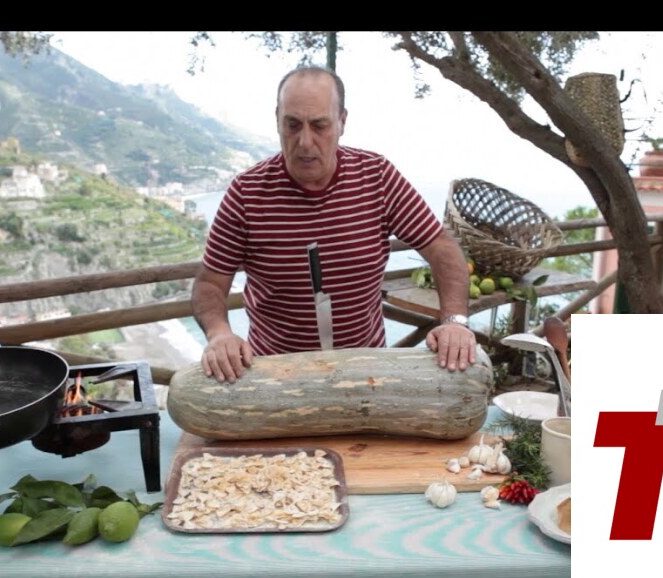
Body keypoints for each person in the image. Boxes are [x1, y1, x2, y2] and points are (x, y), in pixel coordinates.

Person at [191, 66, 475, 383]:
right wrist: (219, 334)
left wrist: (454, 321)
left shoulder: (377, 177)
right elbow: (210, 283)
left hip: (367, 374)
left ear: (342, 122)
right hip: (275, 378)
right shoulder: (246, 193)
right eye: (292, 125)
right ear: (277, 120)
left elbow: (441, 248)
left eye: (320, 125)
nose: (305, 142)